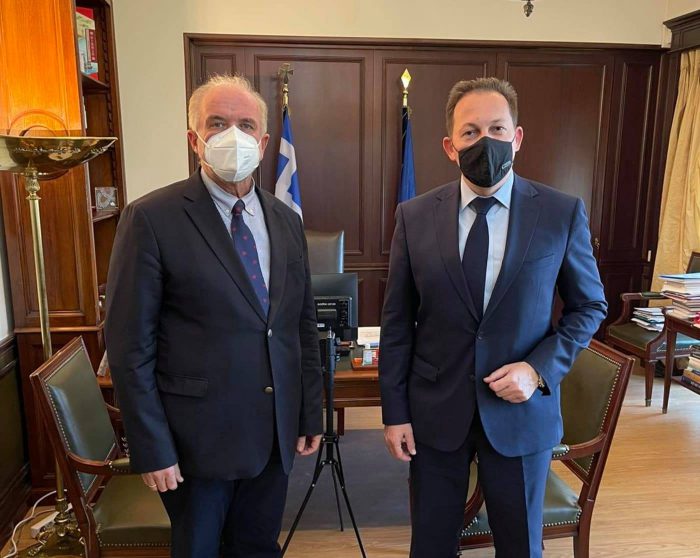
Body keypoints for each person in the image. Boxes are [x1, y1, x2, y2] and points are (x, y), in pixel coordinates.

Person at [379, 77, 607, 558]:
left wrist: (538, 369)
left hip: (521, 415)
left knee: (520, 547)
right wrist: (395, 413)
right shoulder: (413, 217)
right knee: (431, 545)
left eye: (497, 129)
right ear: (450, 146)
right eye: (471, 132)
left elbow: (589, 307)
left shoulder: (561, 213)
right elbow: (397, 323)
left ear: (516, 137)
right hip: (435, 414)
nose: (486, 141)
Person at [105, 74, 323, 558]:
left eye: (246, 125)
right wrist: (152, 446)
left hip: (272, 436)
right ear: (194, 139)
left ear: (263, 143)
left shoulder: (286, 220)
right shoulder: (151, 218)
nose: (233, 136)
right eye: (218, 124)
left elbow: (299, 326)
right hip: (194, 444)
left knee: (257, 547)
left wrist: (309, 411)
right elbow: (128, 348)